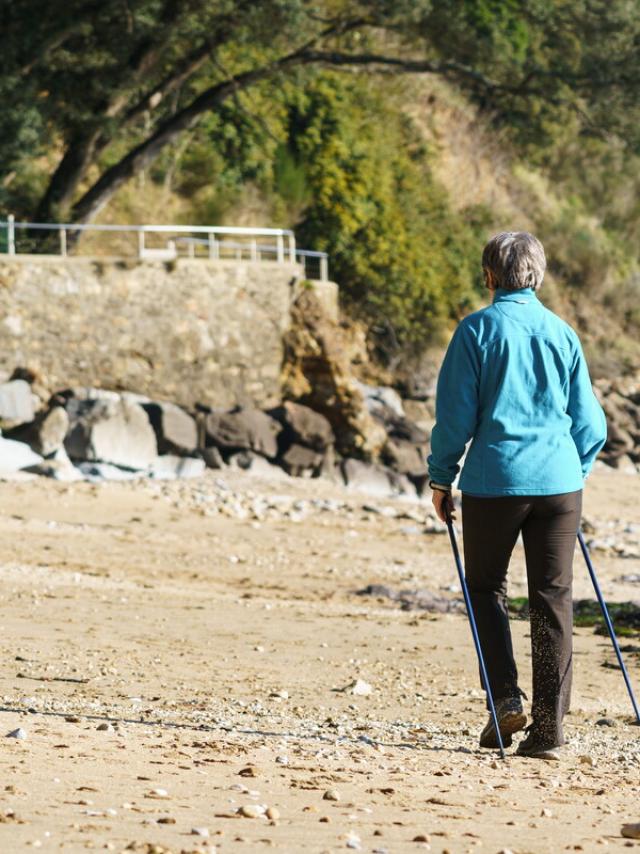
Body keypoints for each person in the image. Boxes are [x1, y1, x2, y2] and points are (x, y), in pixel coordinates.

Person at [427, 231, 607, 759]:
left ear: (489, 276)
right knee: (553, 598)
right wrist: (577, 470)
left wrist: (441, 478)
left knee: (486, 589)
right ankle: (549, 730)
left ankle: (506, 698)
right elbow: (590, 421)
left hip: (494, 482)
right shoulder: (562, 333)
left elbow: (454, 419)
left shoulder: (476, 331)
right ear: (539, 275)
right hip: (558, 483)